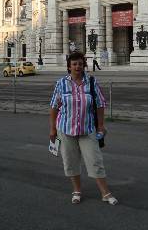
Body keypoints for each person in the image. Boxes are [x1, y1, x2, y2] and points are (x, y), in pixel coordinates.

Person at [49, 52, 118, 205]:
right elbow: (54, 107)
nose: (77, 66)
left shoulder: (91, 82)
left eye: (80, 63)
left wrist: (101, 126)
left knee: (95, 161)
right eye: (74, 64)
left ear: (84, 65)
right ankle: (77, 191)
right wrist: (52, 130)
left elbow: (100, 105)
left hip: (87, 129)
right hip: (66, 129)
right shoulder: (61, 83)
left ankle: (105, 193)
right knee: (71, 162)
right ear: (69, 66)